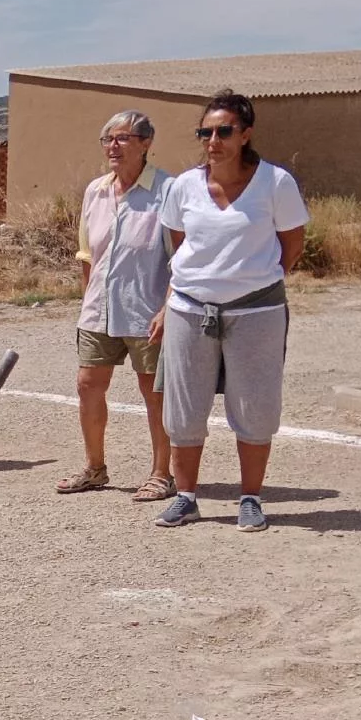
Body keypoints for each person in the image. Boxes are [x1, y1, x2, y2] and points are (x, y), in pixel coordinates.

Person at [153, 89, 308, 533]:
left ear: (246, 134)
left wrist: (251, 279)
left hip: (256, 310)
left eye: (224, 131)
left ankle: (251, 498)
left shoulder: (274, 183)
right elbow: (178, 248)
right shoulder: (182, 187)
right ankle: (185, 497)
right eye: (206, 131)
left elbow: (291, 246)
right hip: (189, 308)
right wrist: (174, 302)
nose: (213, 140)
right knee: (183, 406)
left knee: (255, 405)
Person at [65, 111, 175, 499]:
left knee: (155, 392)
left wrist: (168, 309)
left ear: (146, 143)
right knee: (87, 385)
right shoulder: (95, 191)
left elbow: (182, 259)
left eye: (123, 138)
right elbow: (86, 255)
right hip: (99, 309)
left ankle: (162, 473)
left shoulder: (168, 190)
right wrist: (87, 304)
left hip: (149, 311)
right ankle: (95, 468)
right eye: (107, 139)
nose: (113, 146)